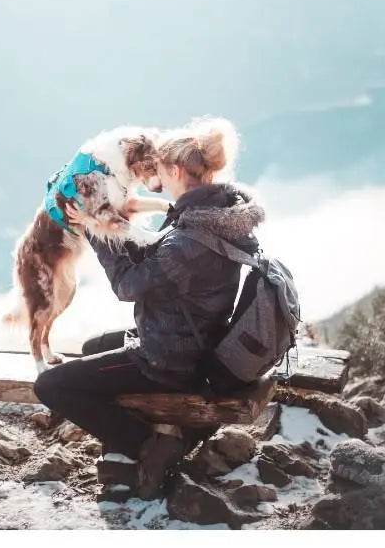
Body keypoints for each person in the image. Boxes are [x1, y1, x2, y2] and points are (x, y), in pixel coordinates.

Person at [32, 117, 266, 499]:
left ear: (175, 170)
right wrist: (108, 219)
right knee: (93, 348)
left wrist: (95, 226)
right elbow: (165, 263)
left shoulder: (191, 236)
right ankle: (126, 453)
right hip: (200, 338)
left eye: (158, 171)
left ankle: (147, 443)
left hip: (168, 359)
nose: (152, 178)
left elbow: (129, 286)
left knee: (51, 386)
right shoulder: (217, 209)